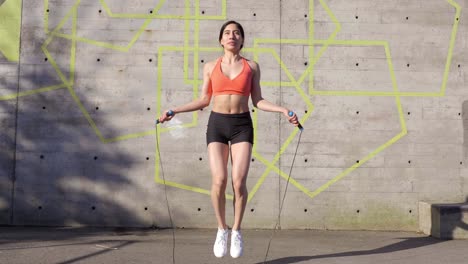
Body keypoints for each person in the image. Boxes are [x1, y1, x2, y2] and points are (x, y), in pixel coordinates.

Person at [158, 20, 299, 258]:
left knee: (238, 181)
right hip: (218, 125)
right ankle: (221, 228)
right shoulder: (210, 66)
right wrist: (175, 110)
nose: (231, 36)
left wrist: (283, 110)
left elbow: (258, 101)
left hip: (242, 125)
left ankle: (236, 231)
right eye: (227, 33)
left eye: (236, 33)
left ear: (242, 40)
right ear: (221, 40)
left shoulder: (251, 67)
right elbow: (204, 100)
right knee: (219, 180)